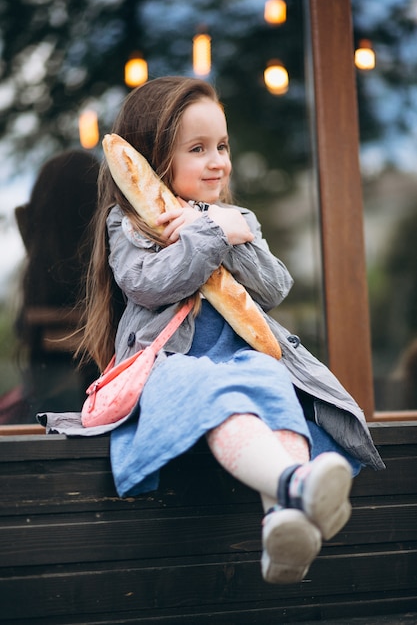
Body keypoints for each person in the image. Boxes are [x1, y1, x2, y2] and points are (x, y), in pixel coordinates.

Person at [73, 76, 384, 585]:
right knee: (216, 393)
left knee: (269, 380)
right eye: (198, 149)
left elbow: (274, 287)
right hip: (169, 365)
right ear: (154, 159)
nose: (218, 160)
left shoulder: (234, 217)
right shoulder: (128, 223)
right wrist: (211, 236)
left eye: (222, 145)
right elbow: (150, 285)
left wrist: (233, 233)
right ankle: (295, 485)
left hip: (240, 355)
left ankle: (281, 527)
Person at [11, 149, 100, 421]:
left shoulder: (41, 275)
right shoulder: (112, 283)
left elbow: (22, 331)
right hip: (98, 412)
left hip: (44, 415)